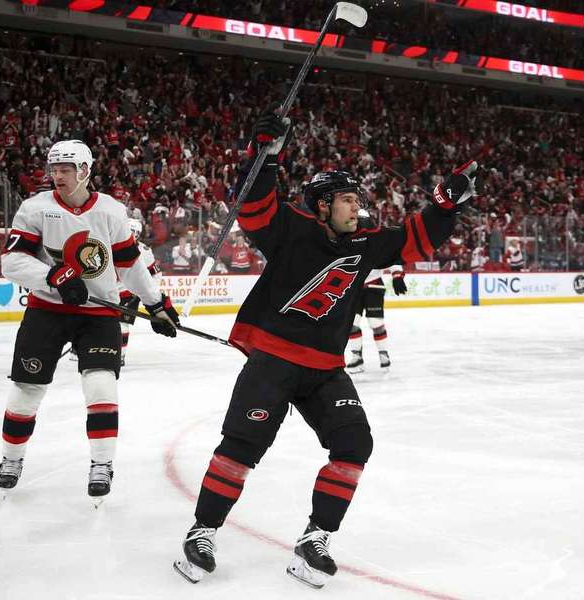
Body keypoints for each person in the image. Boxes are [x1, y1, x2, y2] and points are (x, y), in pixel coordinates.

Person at [173, 107, 482, 588]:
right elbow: (253, 204)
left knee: (355, 444)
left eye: (355, 199)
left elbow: (415, 240)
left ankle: (314, 539)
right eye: (345, 199)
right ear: (320, 205)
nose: (355, 207)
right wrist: (264, 155)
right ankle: (202, 531)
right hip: (273, 360)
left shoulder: (367, 243)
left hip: (325, 369)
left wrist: (445, 205)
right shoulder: (291, 229)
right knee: (241, 447)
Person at [0, 140, 180, 501]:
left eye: (65, 169)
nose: (57, 175)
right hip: (47, 311)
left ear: (85, 171)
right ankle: (11, 460)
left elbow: (129, 264)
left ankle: (101, 464)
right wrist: (56, 278)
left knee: (100, 387)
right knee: (25, 392)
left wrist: (157, 304)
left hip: (99, 314)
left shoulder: (110, 211)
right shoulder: (35, 208)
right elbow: (11, 262)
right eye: (54, 169)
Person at [345, 211, 406, 373]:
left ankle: (383, 353)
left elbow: (392, 257)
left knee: (375, 322)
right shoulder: (346, 239)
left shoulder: (377, 239)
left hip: (374, 286)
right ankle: (357, 357)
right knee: (352, 323)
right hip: (354, 288)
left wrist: (397, 276)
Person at [118, 218, 162, 366]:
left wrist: (147, 292)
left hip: (130, 294)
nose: (131, 234)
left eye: (133, 231)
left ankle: (120, 356)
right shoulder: (111, 243)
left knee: (122, 325)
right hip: (109, 292)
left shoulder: (145, 252)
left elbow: (156, 274)